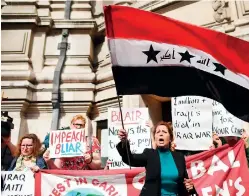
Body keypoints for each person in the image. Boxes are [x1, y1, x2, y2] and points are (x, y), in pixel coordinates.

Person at [117, 121, 196, 196]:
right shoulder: (149, 154)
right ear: (155, 138)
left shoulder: (179, 157)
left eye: (164, 132)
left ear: (170, 138)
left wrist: (190, 187)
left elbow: (185, 182)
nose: (160, 134)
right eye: (158, 132)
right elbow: (130, 159)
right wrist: (124, 142)